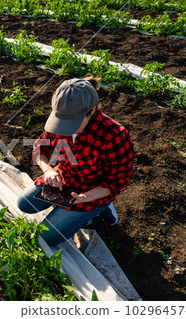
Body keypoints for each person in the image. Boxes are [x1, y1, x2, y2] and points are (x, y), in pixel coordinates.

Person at [17, 77, 134, 246]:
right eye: (62, 121)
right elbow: (40, 148)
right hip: (64, 178)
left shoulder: (115, 136)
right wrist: (49, 170)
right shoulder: (61, 121)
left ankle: (102, 208)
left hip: (91, 190)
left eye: (72, 123)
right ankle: (67, 212)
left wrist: (86, 197)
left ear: (92, 110)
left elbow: (117, 180)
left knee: (45, 238)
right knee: (24, 204)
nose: (64, 128)